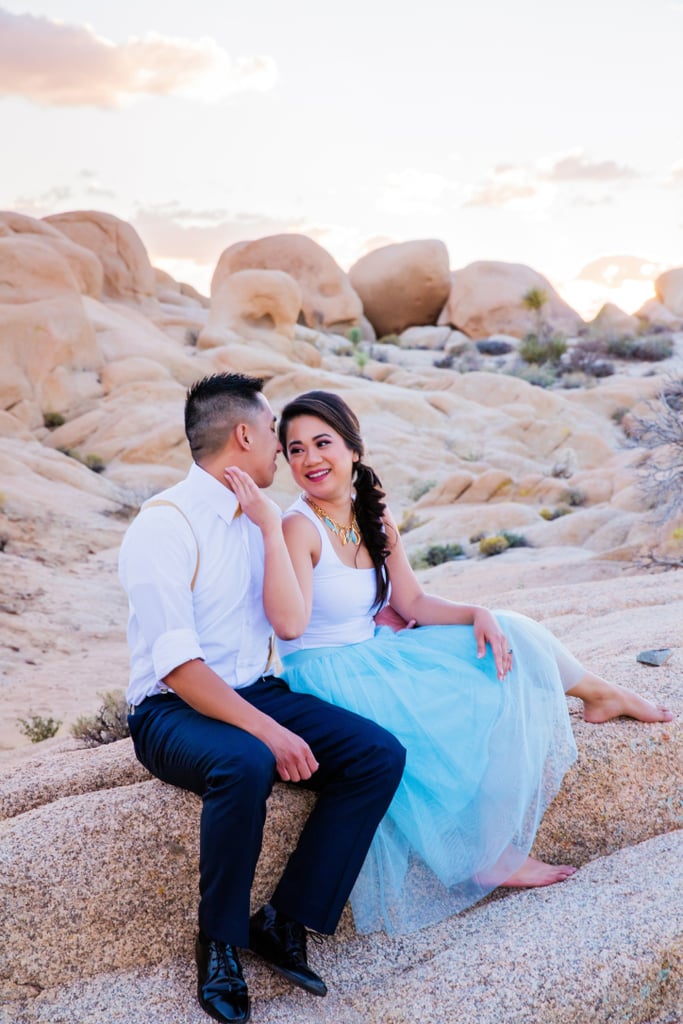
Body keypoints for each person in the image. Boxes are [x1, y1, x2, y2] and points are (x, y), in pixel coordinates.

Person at [270, 389, 674, 936]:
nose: (310, 459)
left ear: (353, 450)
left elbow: (411, 603)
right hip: (330, 676)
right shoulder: (297, 527)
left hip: (375, 655)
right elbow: (292, 626)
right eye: (295, 450)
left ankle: (598, 693)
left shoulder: (373, 518)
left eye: (323, 443)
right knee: (481, 700)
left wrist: (477, 611)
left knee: (509, 631)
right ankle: (490, 854)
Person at [118, 373, 406, 1024]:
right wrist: (270, 734)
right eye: (276, 431)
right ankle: (218, 941)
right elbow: (179, 668)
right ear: (244, 434)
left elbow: (300, 610)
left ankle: (282, 920)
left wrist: (389, 615)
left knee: (376, 755)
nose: (284, 447)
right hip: (172, 709)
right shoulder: (163, 525)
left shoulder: (261, 518)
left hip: (258, 688)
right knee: (243, 762)